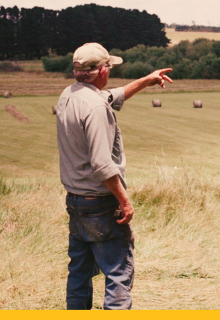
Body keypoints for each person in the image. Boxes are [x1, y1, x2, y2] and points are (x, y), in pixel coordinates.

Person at [56, 42, 172, 310]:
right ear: (101, 71)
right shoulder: (96, 108)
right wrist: (124, 201)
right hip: (100, 203)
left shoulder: (69, 95)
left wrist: (147, 80)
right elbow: (102, 164)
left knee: (79, 273)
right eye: (108, 66)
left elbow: (113, 96)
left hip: (76, 201)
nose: (110, 71)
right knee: (118, 274)